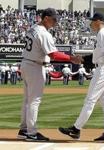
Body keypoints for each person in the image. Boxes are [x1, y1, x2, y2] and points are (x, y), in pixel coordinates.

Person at [17, 8, 82, 142]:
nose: (56, 22)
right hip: (35, 66)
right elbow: (53, 54)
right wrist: (71, 58)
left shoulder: (33, 28)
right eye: (54, 19)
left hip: (26, 63)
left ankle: (24, 130)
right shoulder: (43, 33)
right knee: (34, 100)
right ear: (46, 18)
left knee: (27, 100)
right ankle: (31, 132)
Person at [59, 12, 104, 143]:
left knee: (90, 100)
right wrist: (83, 60)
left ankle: (76, 129)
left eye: (92, 21)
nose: (91, 24)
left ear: (98, 21)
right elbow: (99, 56)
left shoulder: (103, 33)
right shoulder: (103, 33)